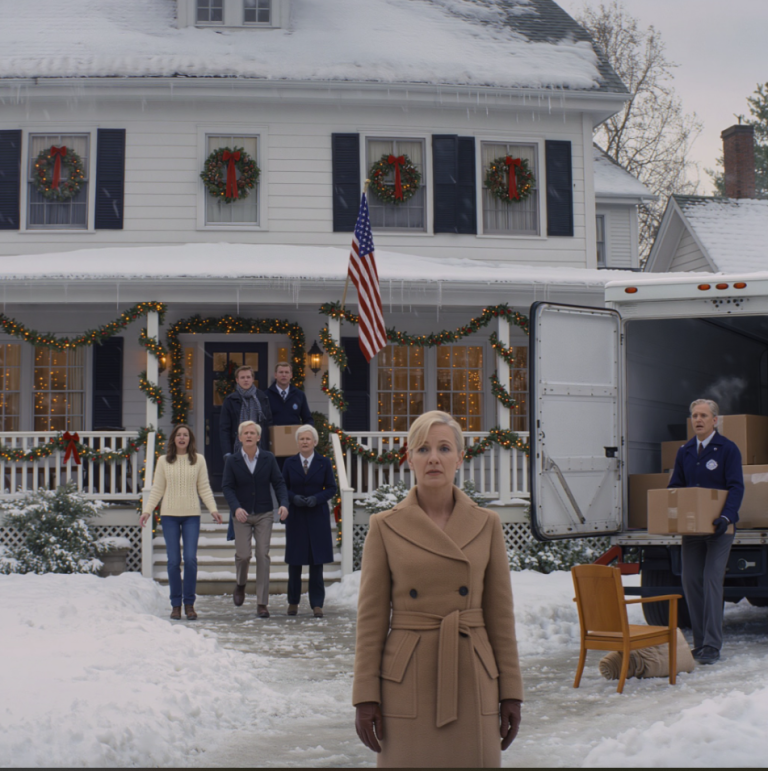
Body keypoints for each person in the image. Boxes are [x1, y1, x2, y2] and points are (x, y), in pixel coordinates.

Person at [353, 410, 523, 768]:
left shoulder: (487, 524)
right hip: (408, 677)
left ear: (460, 458)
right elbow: (370, 621)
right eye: (423, 449)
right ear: (409, 458)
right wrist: (365, 696)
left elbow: (500, 616)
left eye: (444, 448)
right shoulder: (384, 526)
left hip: (472, 674)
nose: (433, 458)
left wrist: (511, 692)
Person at [668, 398, 744, 665]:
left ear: (715, 420)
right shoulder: (685, 451)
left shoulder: (727, 449)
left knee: (711, 580)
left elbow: (736, 487)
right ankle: (700, 643)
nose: (698, 420)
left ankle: (712, 645)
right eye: (694, 416)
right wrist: (674, 511)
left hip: (721, 529)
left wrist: (726, 516)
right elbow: (675, 486)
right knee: (691, 581)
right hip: (693, 530)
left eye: (703, 415)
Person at [140, 425, 222, 621]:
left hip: (191, 515)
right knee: (173, 561)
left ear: (190, 439)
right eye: (179, 435)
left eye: (185, 435)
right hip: (169, 515)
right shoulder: (163, 461)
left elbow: (204, 487)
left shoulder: (198, 460)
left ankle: (189, 604)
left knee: (190, 559)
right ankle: (176, 605)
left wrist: (213, 509)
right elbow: (157, 488)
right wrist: (147, 510)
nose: (182, 438)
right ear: (174, 439)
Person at [222, 420, 288, 618]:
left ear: (258, 437)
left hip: (264, 513)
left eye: (252, 433)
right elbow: (227, 487)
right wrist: (236, 508)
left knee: (262, 555)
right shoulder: (233, 460)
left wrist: (283, 503)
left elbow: (278, 482)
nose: (249, 436)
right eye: (246, 433)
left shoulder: (268, 458)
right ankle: (240, 584)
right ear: (240, 437)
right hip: (241, 514)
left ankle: (262, 602)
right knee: (243, 555)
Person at [281, 425, 337, 618]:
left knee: (316, 563)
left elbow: (331, 488)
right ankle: (293, 602)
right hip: (296, 515)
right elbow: (282, 487)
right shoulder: (289, 463)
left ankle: (317, 604)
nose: (304, 442)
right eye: (301, 439)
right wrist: (293, 498)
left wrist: (317, 498)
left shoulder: (324, 462)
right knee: (295, 562)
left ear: (314, 442)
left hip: (317, 516)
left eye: (308, 439)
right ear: (297, 442)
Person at [266, 361, 314, 469]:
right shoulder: (266, 396)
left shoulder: (299, 395)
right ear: (275, 375)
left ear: (291, 375)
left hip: (294, 446)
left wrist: (307, 435)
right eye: (281, 372)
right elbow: (263, 421)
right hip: (273, 447)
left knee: (294, 475)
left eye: (286, 372)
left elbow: (308, 419)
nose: (284, 375)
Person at [220, 365, 272, 457]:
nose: (246, 380)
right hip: (237, 449)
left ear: (253, 379)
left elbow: (268, 424)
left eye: (248, 377)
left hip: (260, 448)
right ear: (237, 380)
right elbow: (224, 428)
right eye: (242, 377)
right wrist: (227, 452)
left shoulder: (262, 398)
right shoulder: (230, 400)